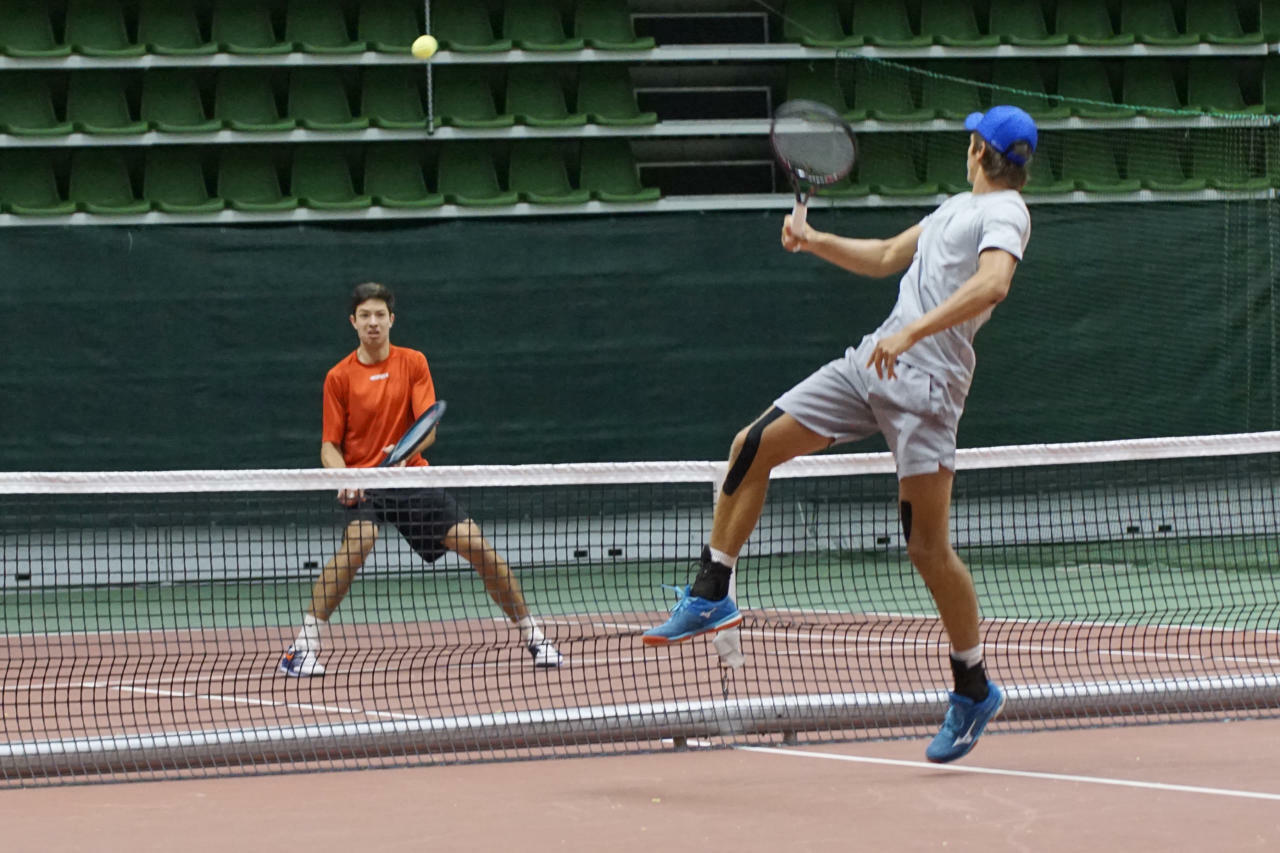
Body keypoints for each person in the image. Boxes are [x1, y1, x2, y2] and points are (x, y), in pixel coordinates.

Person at [643, 106, 1037, 764]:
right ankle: (712, 587)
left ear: (976, 149)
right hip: (869, 367)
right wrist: (814, 239)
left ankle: (973, 687)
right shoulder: (952, 210)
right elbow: (886, 255)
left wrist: (913, 332)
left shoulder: (1007, 214)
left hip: (927, 393)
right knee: (752, 445)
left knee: (927, 550)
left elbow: (993, 282)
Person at [280, 282, 562, 676]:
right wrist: (342, 476)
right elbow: (329, 444)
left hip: (410, 477)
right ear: (353, 323)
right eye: (365, 316)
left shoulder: (413, 363)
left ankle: (536, 637)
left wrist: (402, 459)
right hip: (363, 483)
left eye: (380, 315)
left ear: (391, 320)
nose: (373, 323)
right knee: (360, 543)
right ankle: (301, 648)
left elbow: (427, 427)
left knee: (477, 546)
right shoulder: (338, 377)